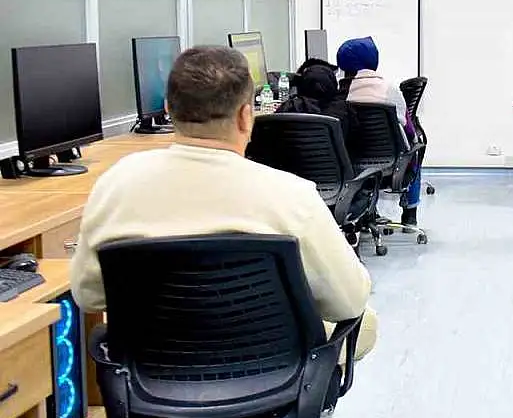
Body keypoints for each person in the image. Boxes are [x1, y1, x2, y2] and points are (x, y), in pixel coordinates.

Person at [70, 46, 377, 360]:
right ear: (246, 116)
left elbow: (87, 295)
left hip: (154, 366)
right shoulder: (292, 195)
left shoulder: (115, 184)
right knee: (366, 324)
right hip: (268, 366)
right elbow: (349, 300)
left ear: (168, 109)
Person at [337, 36, 421, 227]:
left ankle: (365, 212)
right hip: (391, 167)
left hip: (352, 169)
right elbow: (408, 129)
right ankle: (410, 214)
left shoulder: (339, 92)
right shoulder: (389, 90)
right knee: (415, 147)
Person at [276, 60, 360, 154]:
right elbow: (355, 143)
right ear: (332, 84)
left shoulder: (288, 109)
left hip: (289, 162)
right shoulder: (343, 110)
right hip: (333, 162)